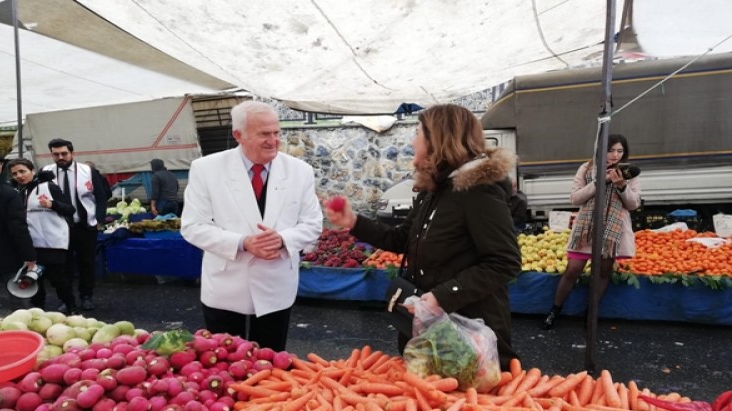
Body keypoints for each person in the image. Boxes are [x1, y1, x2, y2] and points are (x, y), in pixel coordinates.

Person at [325, 104, 522, 369]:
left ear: (437, 140)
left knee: (464, 407)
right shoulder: (436, 189)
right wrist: (354, 222)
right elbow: (401, 239)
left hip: (467, 335)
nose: (411, 141)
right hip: (431, 331)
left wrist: (443, 295)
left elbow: (504, 261)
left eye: (417, 133)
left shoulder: (478, 191)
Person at [180, 101, 322, 351]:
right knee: (223, 363)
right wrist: (242, 242)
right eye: (264, 134)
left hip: (276, 285)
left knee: (270, 365)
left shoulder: (300, 171)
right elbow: (193, 226)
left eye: (277, 133)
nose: (273, 141)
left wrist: (281, 239)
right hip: (226, 286)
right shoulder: (206, 169)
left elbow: (312, 224)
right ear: (239, 135)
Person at [541, 134, 641, 330]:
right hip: (586, 228)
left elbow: (633, 204)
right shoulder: (587, 168)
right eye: (611, 150)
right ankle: (554, 310)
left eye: (620, 151)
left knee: (603, 272)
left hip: (612, 230)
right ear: (601, 149)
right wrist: (599, 182)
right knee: (573, 269)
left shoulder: (630, 172)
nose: (615, 155)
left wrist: (621, 186)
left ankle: (591, 314)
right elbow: (575, 198)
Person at [41, 139, 104, 312]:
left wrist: (98, 219)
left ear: (72, 153)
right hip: (58, 227)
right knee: (63, 266)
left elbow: (100, 196)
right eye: (56, 154)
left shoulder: (87, 171)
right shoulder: (46, 172)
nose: (60, 157)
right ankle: (66, 299)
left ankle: (86, 296)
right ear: (51, 154)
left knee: (87, 263)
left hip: (84, 226)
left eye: (64, 153)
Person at [8, 159, 79, 314]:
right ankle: (38, 310)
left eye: (22, 171)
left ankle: (71, 307)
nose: (19, 176)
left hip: (52, 241)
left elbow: (70, 209)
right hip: (30, 243)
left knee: (58, 279)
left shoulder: (49, 186)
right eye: (15, 173)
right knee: (33, 278)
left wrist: (52, 204)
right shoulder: (16, 192)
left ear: (32, 171)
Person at [0, 151, 37, 315]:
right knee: (19, 302)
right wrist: (29, 255)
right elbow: (18, 227)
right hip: (10, 255)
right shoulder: (8, 192)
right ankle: (22, 336)